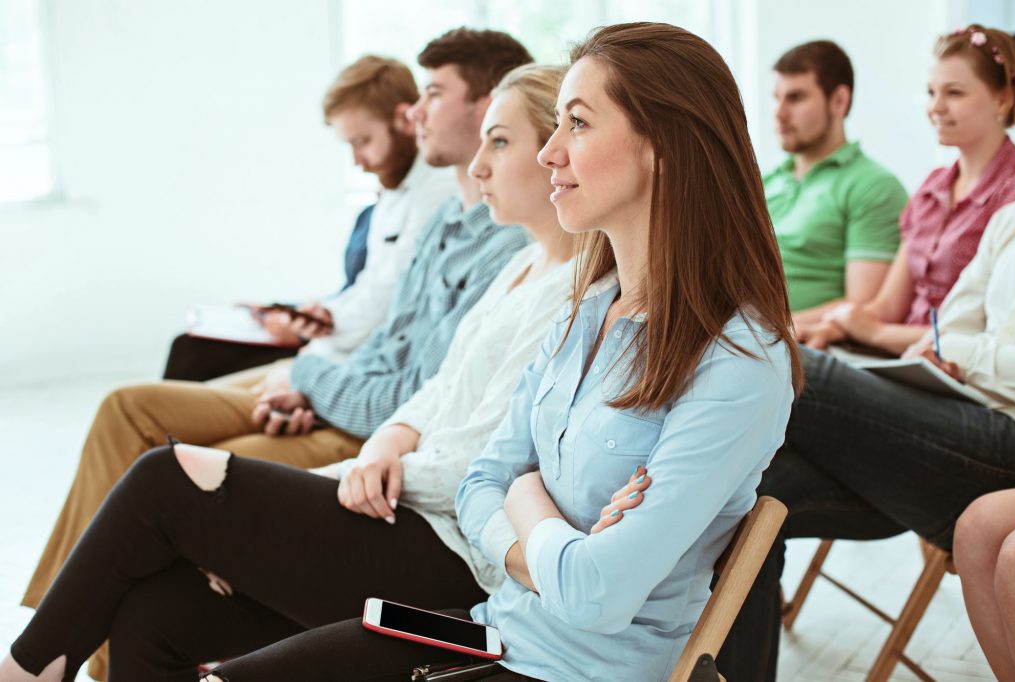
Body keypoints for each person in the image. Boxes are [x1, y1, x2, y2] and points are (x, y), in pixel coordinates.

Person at [10, 21, 799, 682]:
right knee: (154, 617)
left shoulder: (738, 363)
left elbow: (593, 595)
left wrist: (526, 507)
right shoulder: (591, 310)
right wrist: (537, 512)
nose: (553, 151)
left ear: (663, 145)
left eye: (579, 124)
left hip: (551, 668)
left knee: (169, 499)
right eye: (553, 125)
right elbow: (488, 476)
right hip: (491, 629)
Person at [0, 62, 574, 682]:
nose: (480, 165)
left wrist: (364, 467)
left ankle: (27, 670)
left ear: (554, 152)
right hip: (402, 502)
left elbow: (480, 464)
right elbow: (435, 394)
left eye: (500, 142)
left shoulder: (568, 293)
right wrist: (384, 442)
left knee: (167, 476)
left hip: (450, 550)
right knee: (151, 615)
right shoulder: (524, 271)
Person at [716, 205, 1015, 677]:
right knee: (752, 497)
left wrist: (960, 353)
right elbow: (953, 323)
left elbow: (957, 343)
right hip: (952, 402)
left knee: (782, 361)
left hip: (1008, 435)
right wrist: (935, 352)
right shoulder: (1012, 219)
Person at [162, 55, 456, 381]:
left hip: (359, 360)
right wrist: (325, 314)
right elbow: (368, 286)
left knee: (175, 371)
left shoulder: (436, 192)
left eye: (363, 142)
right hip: (335, 344)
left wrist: (314, 332)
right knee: (187, 353)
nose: (358, 162)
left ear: (405, 119)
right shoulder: (392, 193)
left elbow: (388, 302)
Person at [798, 24, 1015, 356]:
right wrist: (828, 328)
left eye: (954, 93)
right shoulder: (933, 187)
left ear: (1003, 98)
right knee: (794, 354)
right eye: (931, 93)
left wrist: (875, 333)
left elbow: (986, 338)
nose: (936, 107)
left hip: (952, 377)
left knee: (807, 373)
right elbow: (888, 304)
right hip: (897, 360)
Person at [764, 40, 906, 316]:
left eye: (796, 98)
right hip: (745, 337)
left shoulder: (873, 186)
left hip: (804, 348)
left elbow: (861, 309)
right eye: (776, 98)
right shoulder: (767, 180)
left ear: (839, 101)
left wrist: (768, 333)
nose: (779, 113)